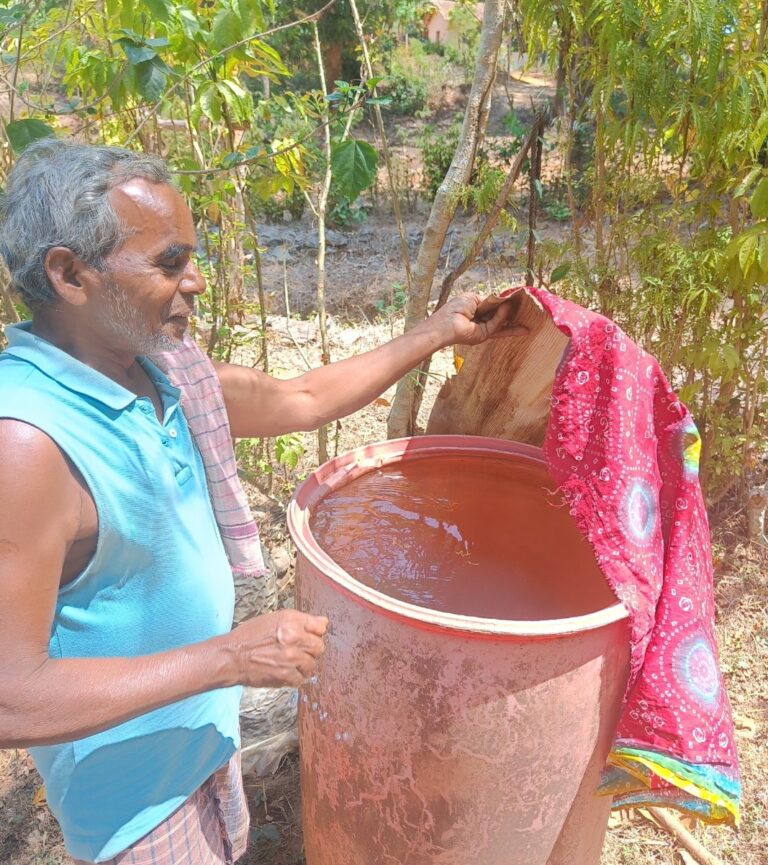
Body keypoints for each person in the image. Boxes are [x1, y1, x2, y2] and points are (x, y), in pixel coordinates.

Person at [0, 140, 518, 865]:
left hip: (198, 743)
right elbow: (10, 696)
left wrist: (438, 332)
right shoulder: (27, 443)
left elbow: (300, 398)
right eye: (170, 262)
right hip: (135, 808)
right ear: (69, 274)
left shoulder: (160, 373)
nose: (198, 282)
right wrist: (230, 657)